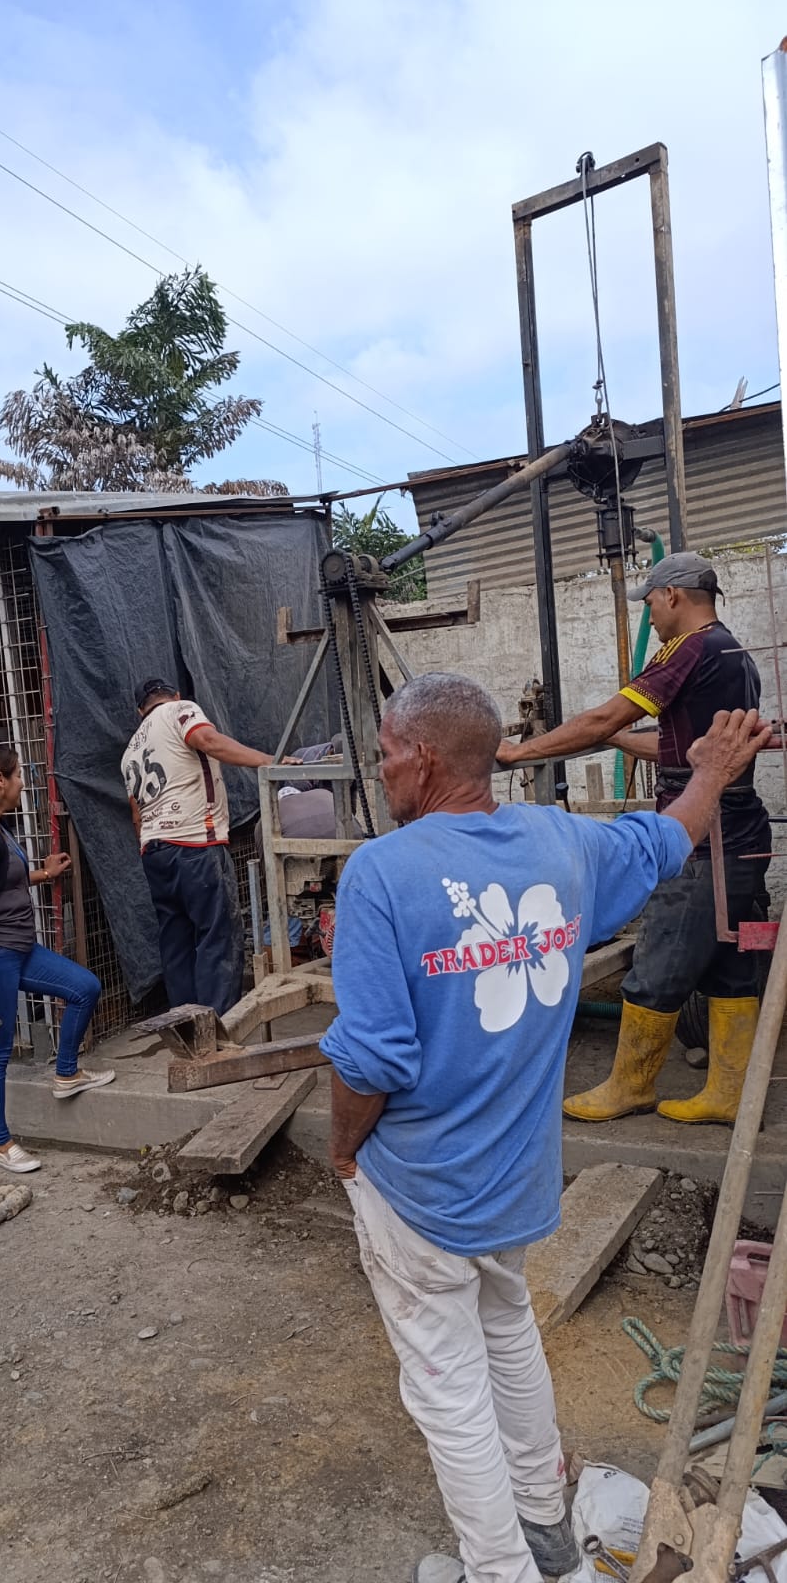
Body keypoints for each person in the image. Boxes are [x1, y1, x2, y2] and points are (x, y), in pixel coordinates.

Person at [322, 673, 768, 1583]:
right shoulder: (563, 844)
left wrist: (340, 1151)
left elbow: (369, 1061)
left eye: (387, 752)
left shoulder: (381, 873)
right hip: (517, 1180)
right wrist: (711, 773)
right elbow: (669, 838)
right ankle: (544, 1524)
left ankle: (501, 1570)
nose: (382, 768)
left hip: (423, 1188)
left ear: (424, 758)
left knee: (447, 1390)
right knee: (507, 1330)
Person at [496, 552, 770, 1125]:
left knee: (658, 958)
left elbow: (606, 717)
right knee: (731, 963)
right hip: (742, 831)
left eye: (650, 602)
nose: (651, 613)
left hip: (701, 839)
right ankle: (728, 1095)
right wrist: (617, 741)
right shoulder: (734, 653)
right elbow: (680, 750)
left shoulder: (688, 649)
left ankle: (631, 1086)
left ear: (673, 595)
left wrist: (521, 751)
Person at [0, 743, 113, 1174]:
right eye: (19, 775)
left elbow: (3, 880)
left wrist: (43, 873)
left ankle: (66, 1074)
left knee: (85, 988)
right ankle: (1, 1146)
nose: (23, 783)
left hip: (16, 949)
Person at [121, 677, 293, 1016]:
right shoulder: (180, 710)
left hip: (154, 851)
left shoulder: (130, 752)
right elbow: (207, 740)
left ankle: (185, 1024)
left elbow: (136, 815)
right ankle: (218, 1026)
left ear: (140, 711)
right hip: (195, 843)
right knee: (218, 934)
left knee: (177, 943)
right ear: (174, 695)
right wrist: (268, 760)